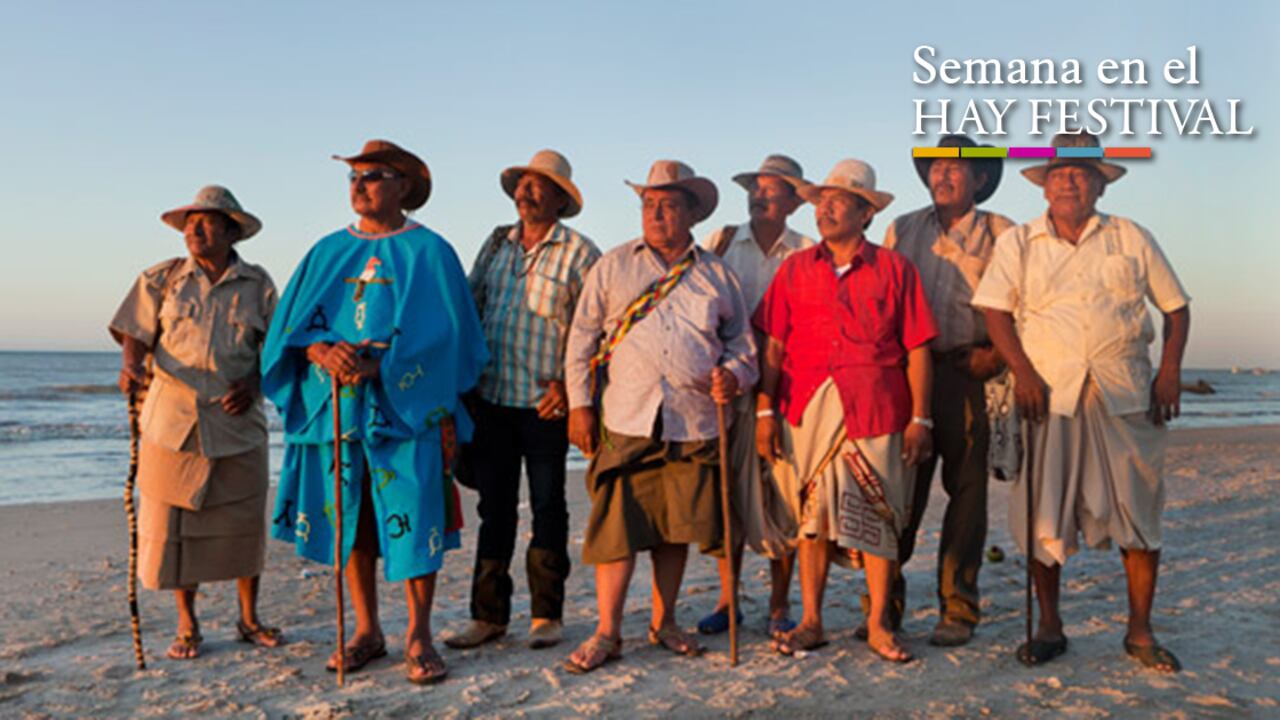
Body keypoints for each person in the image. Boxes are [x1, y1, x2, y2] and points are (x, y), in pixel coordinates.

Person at [262, 139, 488, 684]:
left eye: (374, 175)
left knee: (416, 516)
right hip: (335, 410)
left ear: (404, 186)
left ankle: (419, 634)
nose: (359, 185)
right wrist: (319, 349)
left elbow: (455, 340)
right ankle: (367, 630)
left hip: (406, 412)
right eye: (354, 177)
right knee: (352, 520)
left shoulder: (431, 252)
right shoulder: (324, 252)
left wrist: (383, 365)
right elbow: (287, 331)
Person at [972, 132, 1190, 672]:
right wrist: (1021, 372)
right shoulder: (1019, 242)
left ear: (1099, 184)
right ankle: (1050, 627)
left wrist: (1170, 371)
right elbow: (996, 312)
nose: (1069, 181)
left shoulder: (1131, 236)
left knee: (1139, 515)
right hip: (1048, 396)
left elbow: (1176, 309)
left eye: (1081, 173)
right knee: (1045, 513)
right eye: (1060, 174)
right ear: (1045, 186)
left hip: (1125, 393)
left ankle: (1140, 631)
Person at [560, 160, 758, 673]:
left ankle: (664, 621)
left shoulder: (717, 272)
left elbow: (742, 344)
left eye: (669, 205)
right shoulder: (614, 266)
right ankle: (608, 630)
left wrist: (733, 375)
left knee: (675, 527)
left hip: (692, 421)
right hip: (627, 418)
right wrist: (579, 405)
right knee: (616, 529)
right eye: (650, 205)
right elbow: (581, 340)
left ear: (692, 213)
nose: (657, 214)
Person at [755, 159, 937, 663]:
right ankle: (811, 621)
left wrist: (921, 419)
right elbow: (773, 345)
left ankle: (878, 623)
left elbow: (918, 347)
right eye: (820, 200)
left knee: (879, 518)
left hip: (877, 407)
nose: (825, 208)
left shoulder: (896, 269)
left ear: (865, 213)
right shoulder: (793, 269)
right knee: (811, 517)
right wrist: (764, 412)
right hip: (805, 407)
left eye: (838, 200)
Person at [110, 185, 283, 660]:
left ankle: (249, 619)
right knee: (175, 526)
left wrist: (253, 381)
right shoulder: (161, 279)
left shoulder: (259, 284)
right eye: (190, 222)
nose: (194, 229)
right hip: (172, 421)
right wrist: (132, 365)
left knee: (245, 523)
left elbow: (277, 348)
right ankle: (188, 624)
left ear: (231, 231)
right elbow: (134, 332)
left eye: (206, 222)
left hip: (237, 422)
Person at [446, 150, 600, 651]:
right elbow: (471, 309)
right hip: (490, 399)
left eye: (539, 186)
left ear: (560, 198)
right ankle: (488, 616)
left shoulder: (581, 252)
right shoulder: (495, 245)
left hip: (545, 404)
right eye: (522, 185)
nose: (525, 193)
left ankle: (546, 615)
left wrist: (571, 388)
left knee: (550, 507)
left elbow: (595, 330)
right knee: (495, 510)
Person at [878, 135, 1013, 646]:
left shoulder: (1003, 234)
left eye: (956, 169)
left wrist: (997, 356)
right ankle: (883, 601)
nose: (943, 176)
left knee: (968, 496)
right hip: (908, 374)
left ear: (979, 179)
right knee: (899, 491)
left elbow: (1025, 304)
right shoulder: (903, 228)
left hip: (967, 372)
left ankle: (958, 607)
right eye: (936, 167)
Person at [696, 154, 814, 638]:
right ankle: (728, 599)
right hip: (729, 387)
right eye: (756, 190)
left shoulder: (808, 251)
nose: (760, 197)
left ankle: (780, 602)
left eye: (772, 190)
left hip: (789, 390)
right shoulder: (720, 243)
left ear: (793, 201)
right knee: (729, 497)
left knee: (784, 495)